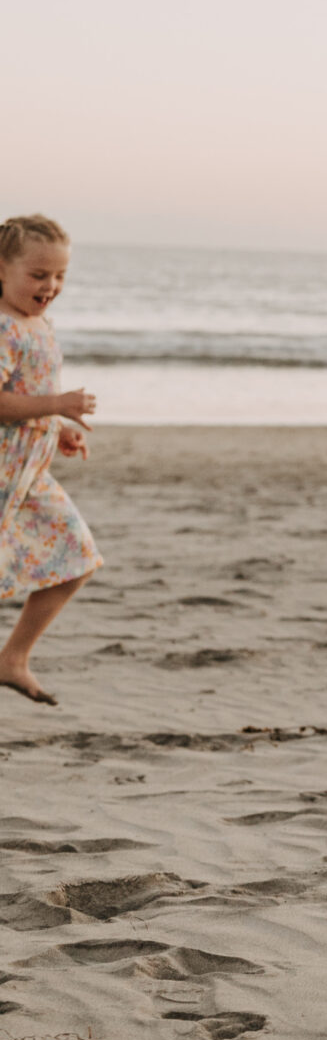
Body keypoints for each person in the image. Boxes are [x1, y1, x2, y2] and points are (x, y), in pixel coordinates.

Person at [0, 216, 101, 705]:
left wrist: (56, 428)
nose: (51, 286)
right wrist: (58, 405)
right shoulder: (2, 327)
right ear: (2, 269)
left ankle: (13, 658)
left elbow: (28, 396)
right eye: (38, 275)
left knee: (77, 557)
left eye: (59, 276)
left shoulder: (40, 324)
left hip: (29, 475)